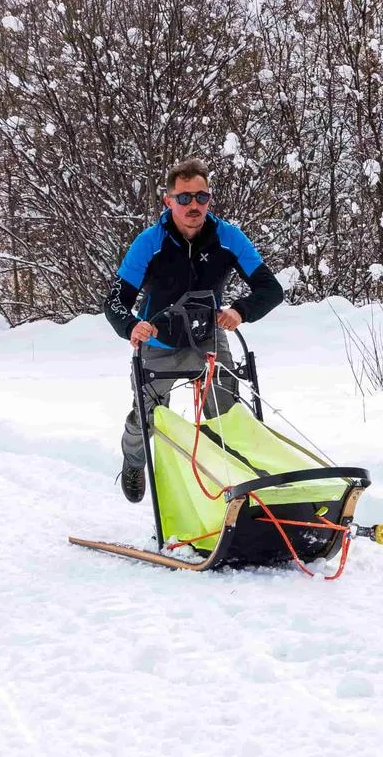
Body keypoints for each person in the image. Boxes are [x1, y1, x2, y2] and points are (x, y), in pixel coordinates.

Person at [104, 157, 285, 502]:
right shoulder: (149, 242)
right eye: (184, 198)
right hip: (160, 336)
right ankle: (133, 461)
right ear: (168, 201)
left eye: (201, 197)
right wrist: (132, 326)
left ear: (209, 200)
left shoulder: (228, 237)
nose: (193, 206)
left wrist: (240, 311)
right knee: (149, 414)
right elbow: (114, 300)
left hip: (208, 334)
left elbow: (271, 289)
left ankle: (234, 486)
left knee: (226, 413)